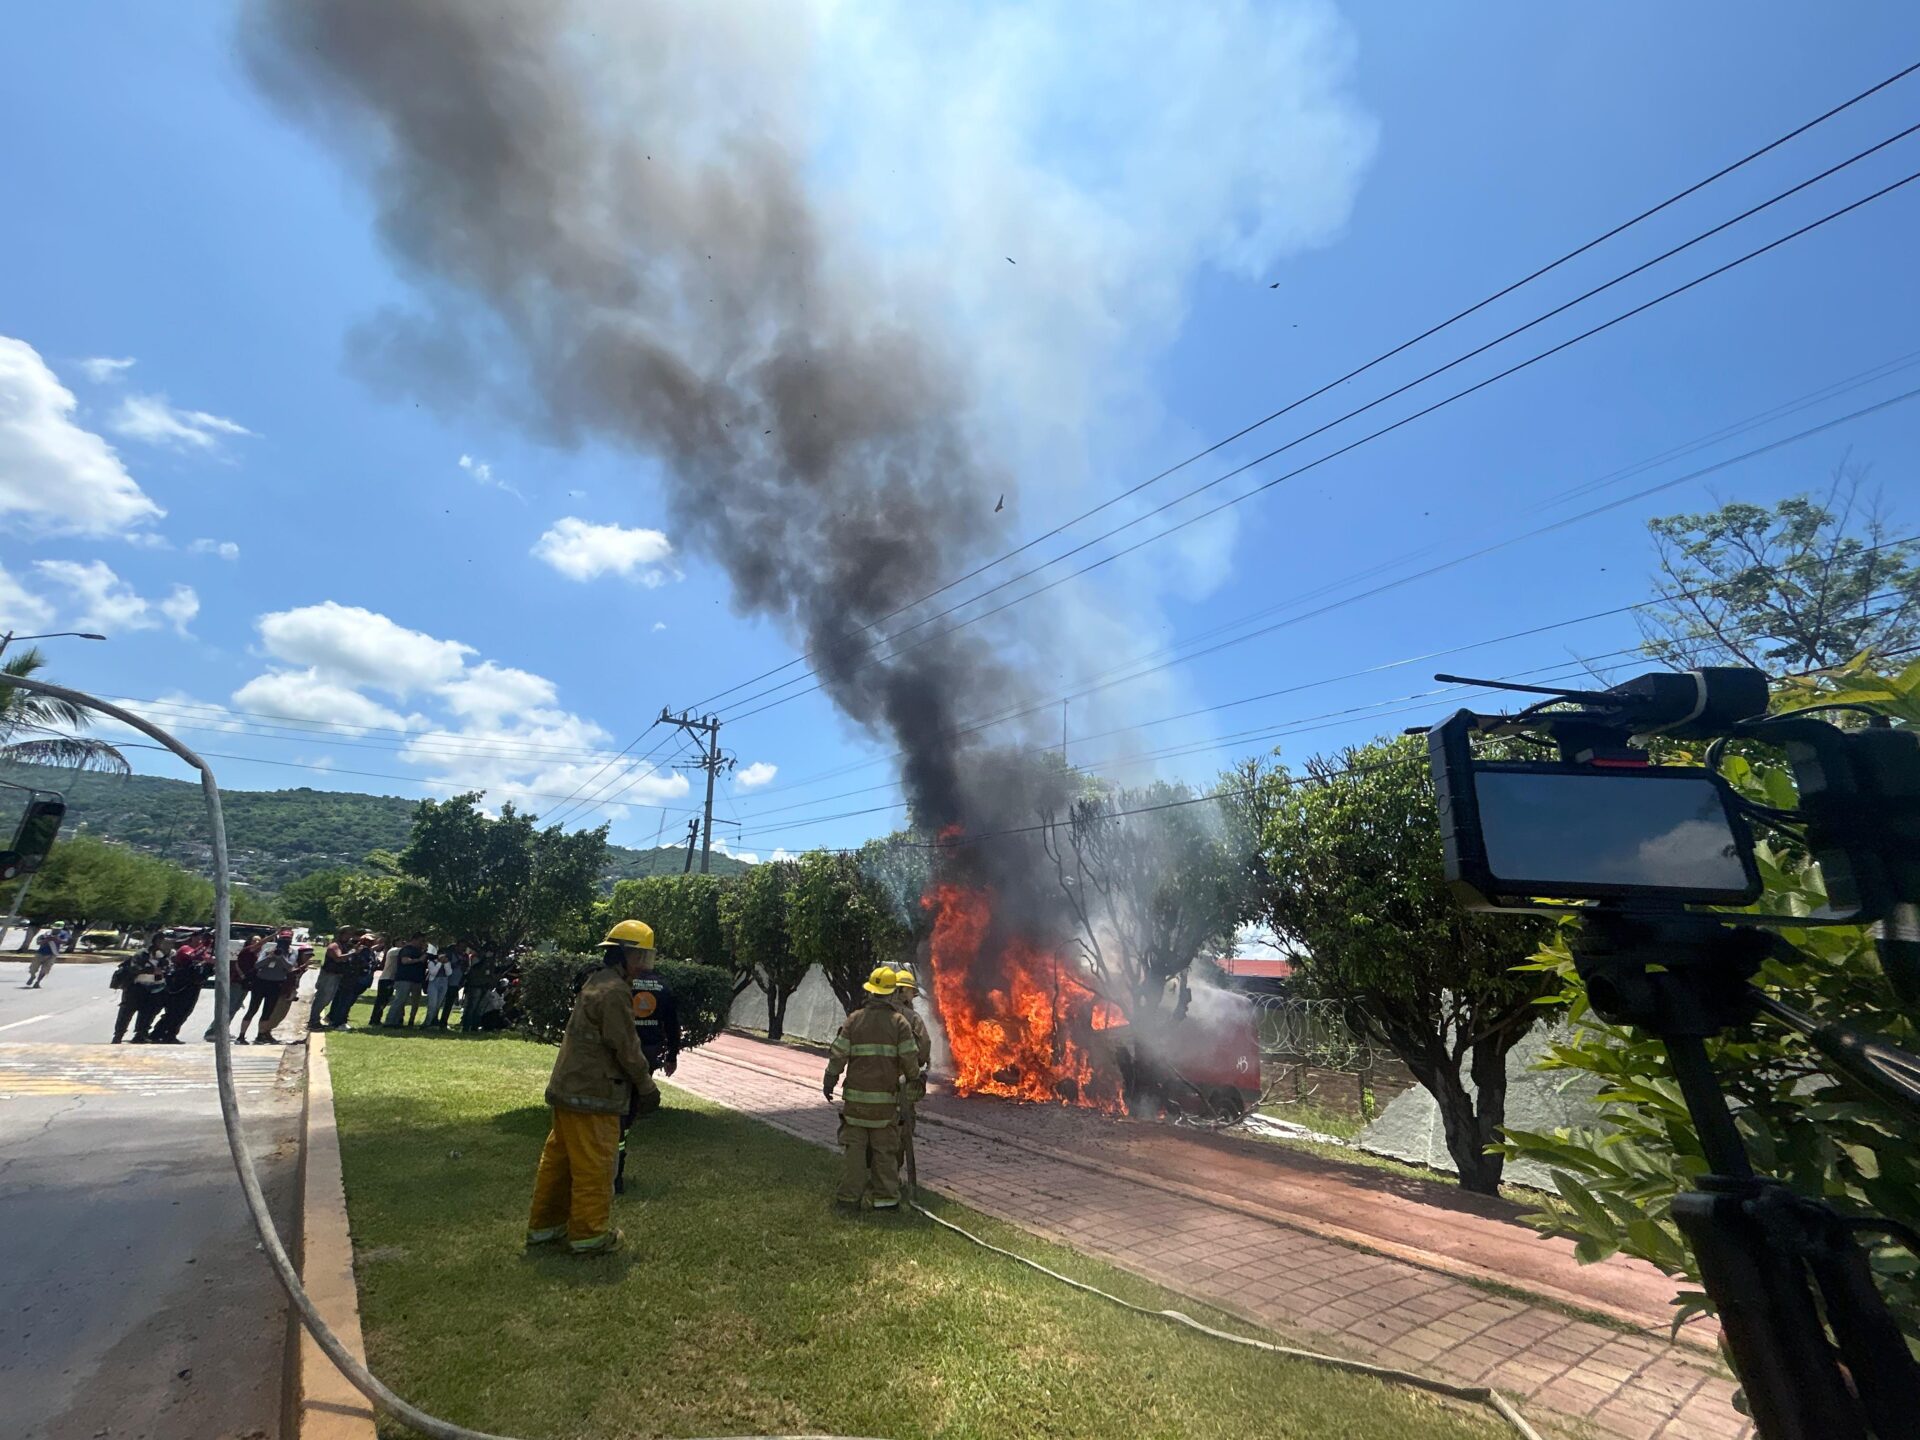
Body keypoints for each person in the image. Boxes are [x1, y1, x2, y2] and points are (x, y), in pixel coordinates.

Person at [524, 925, 660, 1256]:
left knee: (559, 1162)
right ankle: (588, 1234)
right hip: (593, 1094)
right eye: (643, 956)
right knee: (595, 1166)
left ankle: (545, 1227)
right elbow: (625, 1046)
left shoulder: (596, 981)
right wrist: (646, 1085)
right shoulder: (614, 991)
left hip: (568, 1089)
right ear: (630, 954)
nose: (645, 964)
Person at [822, 966, 922, 1213]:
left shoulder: (854, 1020)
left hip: (855, 1105)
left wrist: (829, 1081)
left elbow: (838, 1055)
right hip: (884, 1107)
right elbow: (910, 1060)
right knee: (885, 1153)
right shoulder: (899, 1023)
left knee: (854, 1154)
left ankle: (848, 1200)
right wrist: (915, 1083)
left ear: (870, 992)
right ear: (890, 994)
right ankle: (886, 1200)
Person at [887, 966, 933, 1194]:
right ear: (902, 991)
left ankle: (872, 1175)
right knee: (900, 1133)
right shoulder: (911, 1018)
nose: (913, 997)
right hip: (899, 1089)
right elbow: (923, 1049)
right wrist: (917, 1068)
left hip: (871, 1086)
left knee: (872, 1133)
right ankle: (890, 1179)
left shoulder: (869, 1013)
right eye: (911, 993)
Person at [149, 933, 212, 1044]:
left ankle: (171, 1034)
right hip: (180, 985)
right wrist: (206, 944)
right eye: (198, 938)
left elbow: (208, 960)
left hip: (194, 985)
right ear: (191, 938)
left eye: (201, 939)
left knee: (185, 1012)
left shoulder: (203, 952)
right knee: (174, 1011)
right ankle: (157, 1033)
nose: (200, 940)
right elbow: (192, 956)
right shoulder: (185, 948)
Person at [239, 931, 297, 1044]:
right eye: (282, 940)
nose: (284, 943)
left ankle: (260, 1035)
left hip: (276, 984)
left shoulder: (292, 952)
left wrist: (280, 958)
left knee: (267, 1011)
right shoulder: (267, 950)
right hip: (261, 983)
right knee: (252, 1009)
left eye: (287, 940)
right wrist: (270, 957)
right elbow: (257, 965)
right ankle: (241, 1036)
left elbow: (289, 967)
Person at [111, 936, 170, 1043]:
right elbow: (134, 968)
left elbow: (168, 968)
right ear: (156, 942)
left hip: (154, 988)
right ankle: (118, 1036)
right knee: (127, 1012)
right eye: (162, 942)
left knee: (148, 1013)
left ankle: (140, 1035)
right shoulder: (142, 953)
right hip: (136, 987)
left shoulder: (162, 956)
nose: (165, 945)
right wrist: (151, 970)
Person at [207, 933, 264, 1042]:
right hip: (237, 982)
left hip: (245, 984)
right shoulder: (247, 951)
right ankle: (212, 1031)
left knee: (235, 1008)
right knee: (228, 1008)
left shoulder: (258, 955)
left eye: (258, 941)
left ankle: (223, 1030)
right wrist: (276, 934)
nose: (257, 943)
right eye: (254, 940)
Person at [327, 934, 377, 1029]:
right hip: (352, 980)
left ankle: (336, 1019)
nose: (370, 943)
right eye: (367, 941)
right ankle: (339, 1022)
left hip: (360, 981)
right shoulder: (360, 951)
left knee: (347, 1001)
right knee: (345, 1002)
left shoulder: (368, 951)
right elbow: (356, 963)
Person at [310, 928, 355, 1031]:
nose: (349, 937)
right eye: (347, 934)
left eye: (350, 934)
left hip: (337, 976)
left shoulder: (344, 946)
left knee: (327, 999)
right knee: (323, 998)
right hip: (328, 976)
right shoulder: (334, 946)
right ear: (340, 934)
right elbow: (338, 958)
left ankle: (315, 1020)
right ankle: (313, 1021)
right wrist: (353, 952)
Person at [383, 936, 429, 1027]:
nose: (422, 943)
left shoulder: (421, 951)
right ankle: (390, 1021)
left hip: (417, 980)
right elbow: (405, 961)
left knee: (416, 1002)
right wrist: (419, 960)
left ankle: (410, 1021)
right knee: (400, 1000)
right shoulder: (407, 950)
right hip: (404, 979)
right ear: (414, 940)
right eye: (421, 941)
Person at [424, 943, 458, 1030]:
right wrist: (439, 963)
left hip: (444, 982)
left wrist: (446, 964)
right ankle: (427, 1023)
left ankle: (433, 1022)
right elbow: (433, 972)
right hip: (434, 983)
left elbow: (449, 973)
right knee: (432, 1004)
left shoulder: (447, 962)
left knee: (438, 1004)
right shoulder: (432, 962)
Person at [373, 937, 403, 1025]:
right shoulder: (393, 950)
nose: (403, 943)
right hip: (386, 978)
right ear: (395, 942)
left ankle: (376, 1019)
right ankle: (375, 1020)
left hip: (391, 978)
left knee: (385, 1000)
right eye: (401, 941)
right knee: (381, 1000)